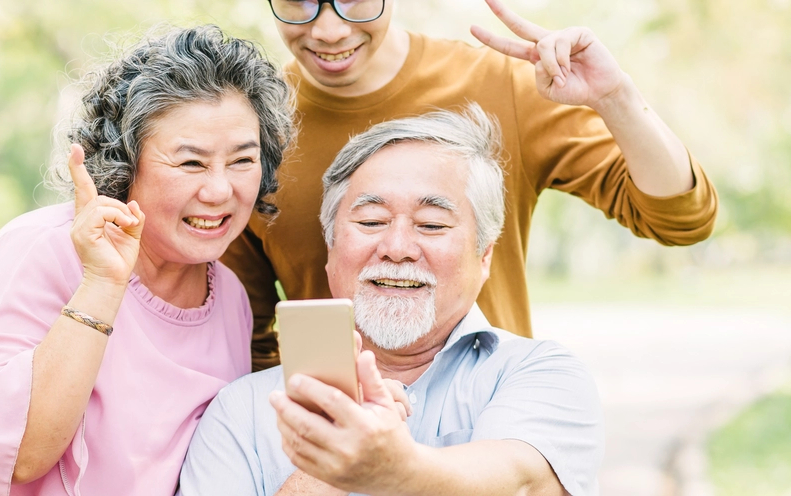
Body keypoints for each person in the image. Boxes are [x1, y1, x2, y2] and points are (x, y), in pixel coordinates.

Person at [0, 25, 294, 495]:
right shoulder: (38, 249)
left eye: (243, 161)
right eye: (190, 163)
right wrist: (104, 282)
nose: (219, 191)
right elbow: (21, 457)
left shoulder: (229, 295)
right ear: (126, 163)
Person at [231, 0, 720, 370]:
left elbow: (679, 218)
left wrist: (616, 98)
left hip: (494, 431)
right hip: (339, 445)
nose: (329, 29)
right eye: (298, 0)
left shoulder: (499, 84)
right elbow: (243, 338)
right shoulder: (252, 130)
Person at [180, 105, 604, 495]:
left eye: (432, 224)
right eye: (371, 221)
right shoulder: (243, 411)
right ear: (331, 250)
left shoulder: (538, 372)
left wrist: (391, 467)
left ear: (485, 255)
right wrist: (328, 462)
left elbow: (522, 483)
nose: (397, 246)